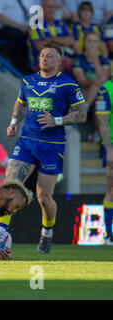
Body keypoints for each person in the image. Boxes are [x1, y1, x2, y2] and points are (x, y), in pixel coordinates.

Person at [2, 42, 88, 253]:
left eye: (50, 56)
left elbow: (82, 114)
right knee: (9, 186)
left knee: (43, 197)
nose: (44, 59)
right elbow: (20, 103)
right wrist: (14, 122)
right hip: (27, 142)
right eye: (42, 55)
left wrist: (56, 120)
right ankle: (0, 233)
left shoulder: (68, 85)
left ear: (59, 61)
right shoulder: (28, 81)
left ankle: (46, 232)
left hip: (52, 146)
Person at [0, 0, 37, 74]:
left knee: (41, 33)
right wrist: (20, 27)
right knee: (16, 34)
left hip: (27, 27)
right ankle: (19, 69)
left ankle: (38, 67)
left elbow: (35, 12)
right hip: (4, 28)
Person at [72, 31, 110, 131]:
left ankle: (85, 108)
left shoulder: (103, 60)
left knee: (100, 97)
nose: (93, 44)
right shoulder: (78, 59)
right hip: (81, 91)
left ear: (99, 44)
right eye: (89, 41)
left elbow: (104, 81)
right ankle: (98, 134)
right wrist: (94, 81)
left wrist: (96, 60)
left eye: (95, 42)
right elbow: (82, 82)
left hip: (97, 92)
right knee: (98, 90)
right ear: (84, 43)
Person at [29, 0, 79, 72]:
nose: (51, 10)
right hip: (43, 61)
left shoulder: (60, 23)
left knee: (82, 67)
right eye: (48, 7)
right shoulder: (36, 24)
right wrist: (62, 41)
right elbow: (39, 46)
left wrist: (52, 39)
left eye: (54, 7)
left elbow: (72, 40)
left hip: (63, 59)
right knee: (59, 68)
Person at [94, 76, 113, 245]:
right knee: (112, 188)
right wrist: (109, 149)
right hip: (112, 143)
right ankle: (108, 235)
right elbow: (103, 121)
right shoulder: (105, 89)